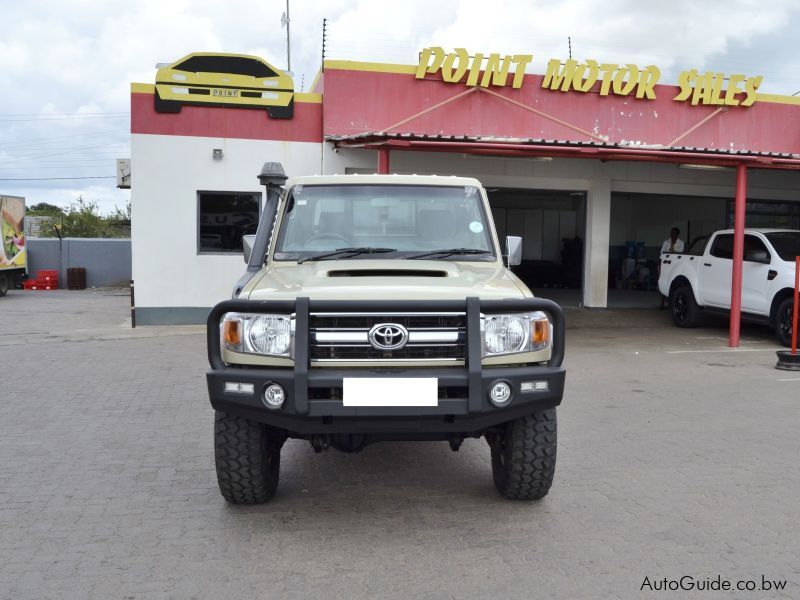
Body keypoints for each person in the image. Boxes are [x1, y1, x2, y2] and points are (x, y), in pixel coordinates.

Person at [659, 228, 684, 308]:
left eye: (674, 233)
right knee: (664, 282)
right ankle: (662, 303)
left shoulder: (681, 243)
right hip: (666, 264)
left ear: (677, 234)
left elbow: (681, 254)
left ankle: (672, 303)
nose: (672, 234)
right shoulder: (666, 242)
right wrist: (659, 265)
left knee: (674, 284)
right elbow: (662, 253)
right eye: (671, 233)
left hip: (676, 265)